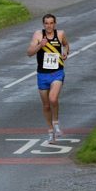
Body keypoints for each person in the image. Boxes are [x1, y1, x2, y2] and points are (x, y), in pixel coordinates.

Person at [27, 13, 70, 142]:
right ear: (43, 24)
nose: (49, 26)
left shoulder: (60, 34)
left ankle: (56, 123)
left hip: (57, 72)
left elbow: (66, 45)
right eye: (47, 23)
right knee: (46, 105)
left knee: (53, 98)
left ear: (55, 24)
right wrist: (40, 45)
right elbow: (29, 52)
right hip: (42, 74)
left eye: (51, 23)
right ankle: (51, 131)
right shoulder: (38, 35)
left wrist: (65, 52)